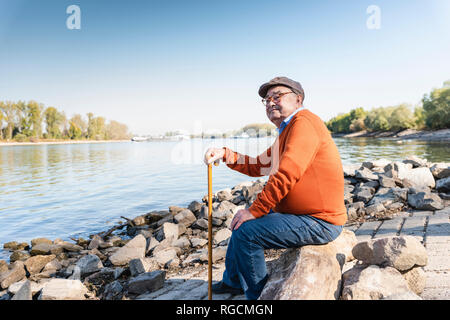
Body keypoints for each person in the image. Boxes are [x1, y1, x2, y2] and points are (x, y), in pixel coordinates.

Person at [203, 76, 347, 300]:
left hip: (319, 220)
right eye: (267, 99)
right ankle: (233, 282)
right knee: (240, 221)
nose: (270, 102)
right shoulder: (288, 130)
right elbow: (260, 165)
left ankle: (259, 298)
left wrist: (255, 211)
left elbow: (286, 173)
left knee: (246, 232)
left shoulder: (304, 123)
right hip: (300, 214)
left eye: (277, 96)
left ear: (297, 99)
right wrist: (226, 154)